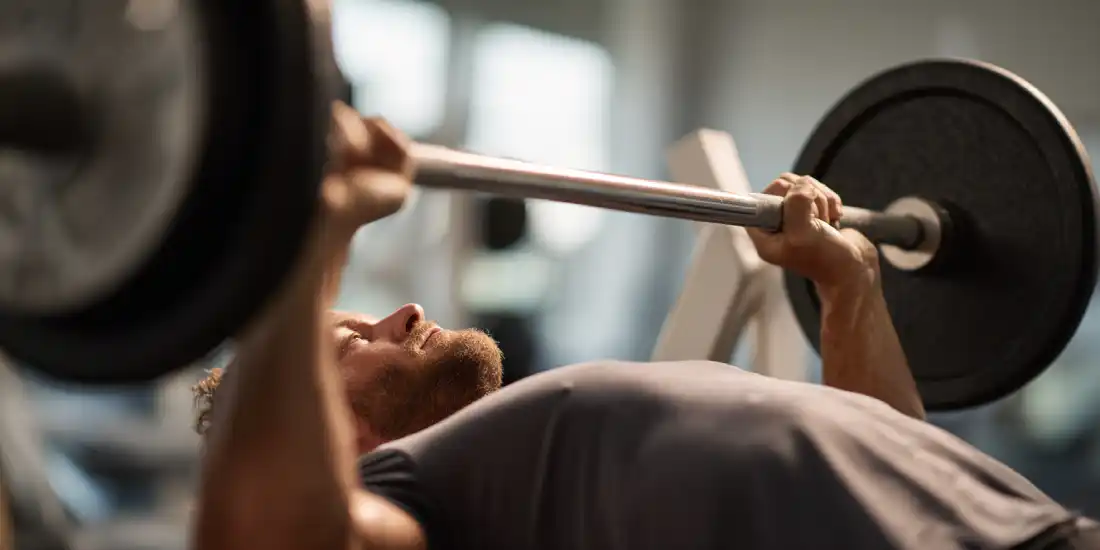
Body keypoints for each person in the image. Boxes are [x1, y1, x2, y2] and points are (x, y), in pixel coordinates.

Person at [192, 102, 1098, 550]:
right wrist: (313, 242)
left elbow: (890, 448)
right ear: (331, 438)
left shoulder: (508, 467)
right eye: (351, 340)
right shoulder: (421, 504)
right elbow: (273, 534)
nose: (408, 312)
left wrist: (850, 286)